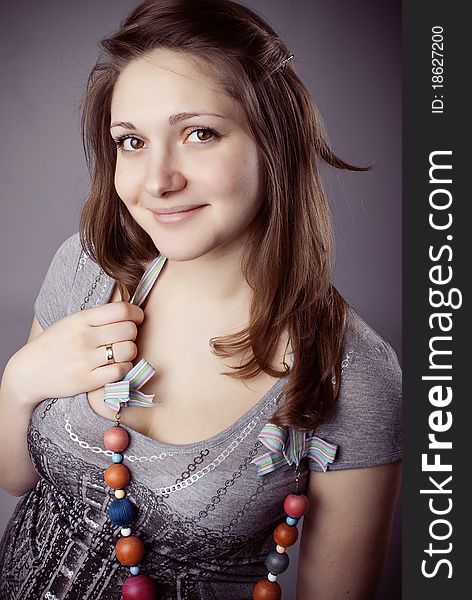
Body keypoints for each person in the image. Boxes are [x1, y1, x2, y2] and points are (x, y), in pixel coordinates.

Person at [0, 0, 402, 598]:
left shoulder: (356, 376)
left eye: (200, 134)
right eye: (131, 142)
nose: (158, 180)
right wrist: (19, 381)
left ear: (273, 140)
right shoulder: (88, 266)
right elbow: (16, 477)